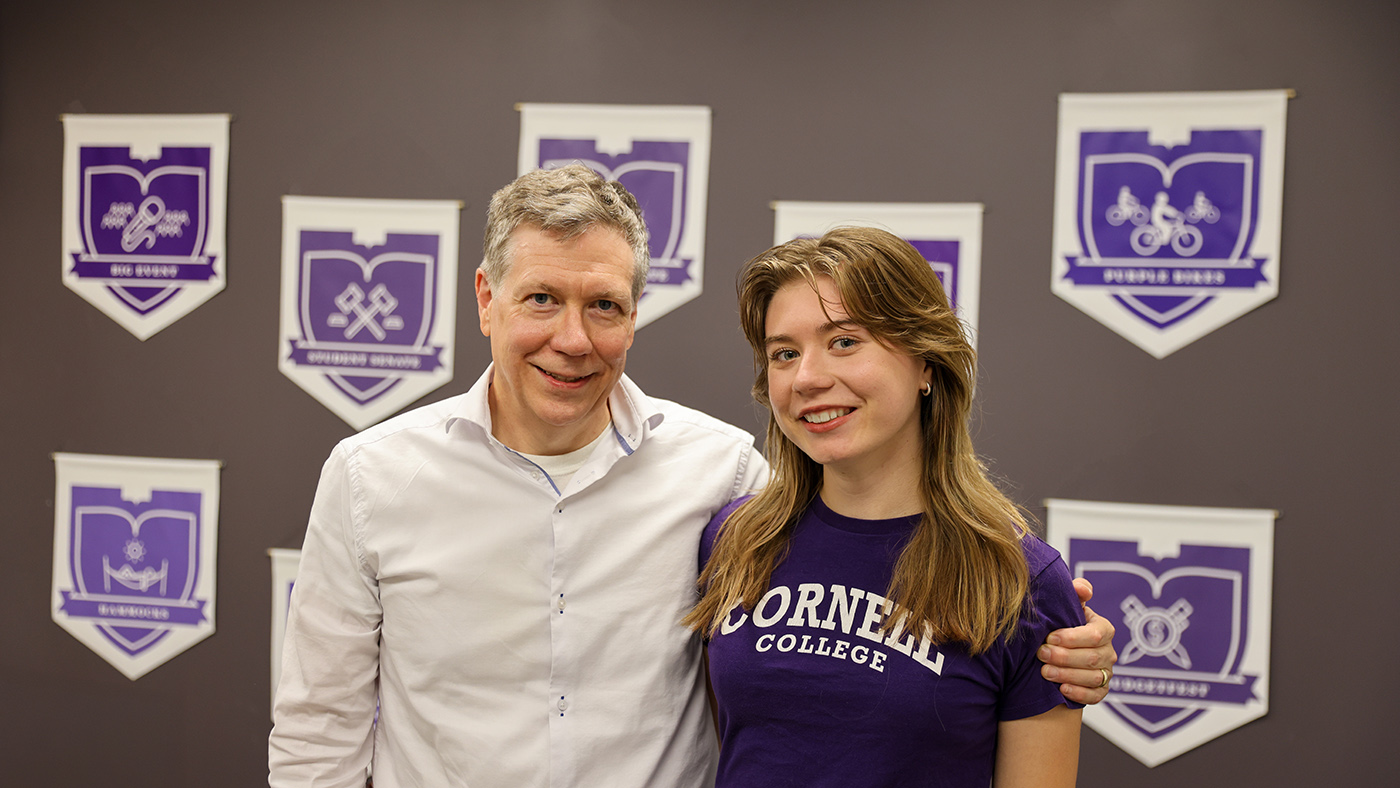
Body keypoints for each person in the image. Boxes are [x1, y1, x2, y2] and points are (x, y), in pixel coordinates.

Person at [269, 166, 1115, 788]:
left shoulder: (722, 483)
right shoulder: (370, 476)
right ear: (487, 299)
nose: (573, 338)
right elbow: (318, 732)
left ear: (636, 313)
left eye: (604, 305)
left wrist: (1072, 652)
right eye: (540, 300)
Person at [687, 227, 1087, 787]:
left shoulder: (1020, 580)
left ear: (926, 362)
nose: (808, 378)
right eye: (784, 353)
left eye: (845, 341)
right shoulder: (735, 539)